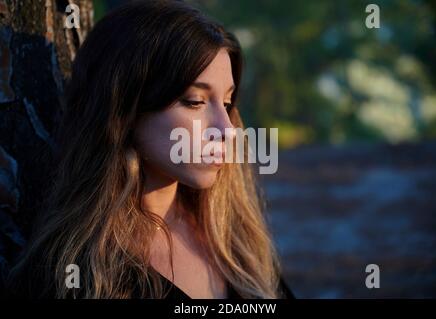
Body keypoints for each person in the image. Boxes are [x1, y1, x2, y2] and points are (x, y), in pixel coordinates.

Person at [7, 0, 295, 299]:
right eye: (195, 101)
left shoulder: (235, 239)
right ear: (125, 110)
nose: (227, 130)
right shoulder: (76, 275)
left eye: (226, 103)